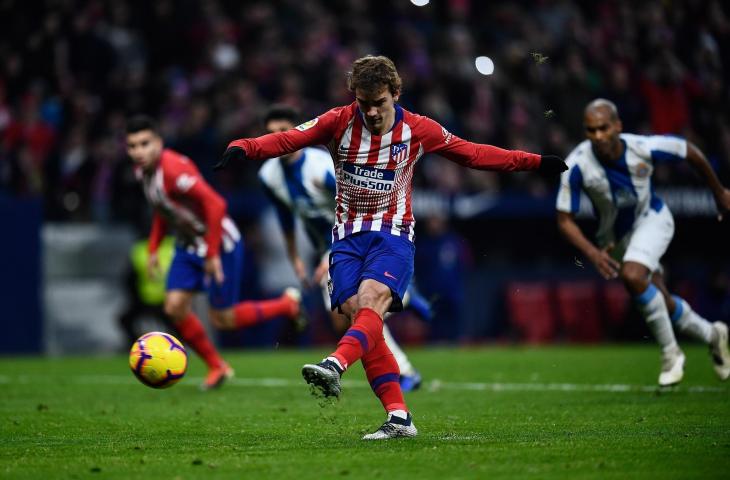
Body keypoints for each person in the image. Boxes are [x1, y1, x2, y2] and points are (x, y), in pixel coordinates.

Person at [215, 55, 567, 439]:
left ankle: (334, 364)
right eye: (363, 104)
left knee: (370, 302)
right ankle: (399, 417)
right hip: (346, 239)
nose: (371, 113)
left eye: (379, 103)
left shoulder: (418, 129)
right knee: (363, 320)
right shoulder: (338, 121)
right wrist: (245, 147)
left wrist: (534, 163)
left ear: (395, 94)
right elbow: (288, 139)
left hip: (392, 234)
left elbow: (475, 154)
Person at [556, 98, 730, 386]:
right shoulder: (576, 164)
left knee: (632, 275)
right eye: (591, 130)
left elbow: (689, 151)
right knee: (659, 297)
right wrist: (591, 252)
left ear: (618, 126)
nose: (598, 136)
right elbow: (564, 219)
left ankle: (671, 355)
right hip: (615, 239)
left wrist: (719, 192)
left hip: (652, 219)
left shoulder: (643, 147)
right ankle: (713, 334)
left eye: (603, 128)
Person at [257, 104, 430, 392]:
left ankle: (405, 371)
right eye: (271, 133)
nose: (278, 138)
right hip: (328, 246)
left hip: (353, 237)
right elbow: (285, 216)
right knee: (348, 319)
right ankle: (407, 296)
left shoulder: (319, 166)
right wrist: (296, 258)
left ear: (296, 133)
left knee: (360, 312)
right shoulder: (268, 176)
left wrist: (332, 255)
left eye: (283, 131)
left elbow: (355, 201)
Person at [126, 115, 305, 391]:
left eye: (145, 144)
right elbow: (163, 209)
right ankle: (217, 366)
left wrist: (211, 255)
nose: (139, 151)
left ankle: (286, 305)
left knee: (224, 318)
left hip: (219, 243)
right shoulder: (144, 173)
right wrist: (153, 248)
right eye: (133, 146)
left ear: (159, 143)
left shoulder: (173, 170)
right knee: (174, 307)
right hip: (187, 244)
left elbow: (216, 204)